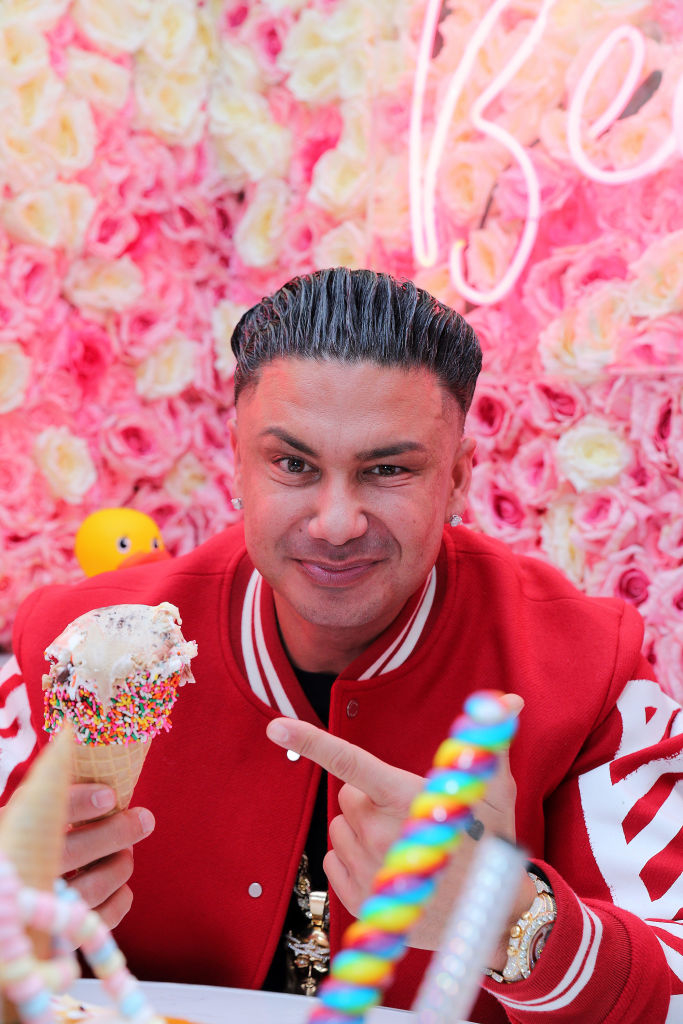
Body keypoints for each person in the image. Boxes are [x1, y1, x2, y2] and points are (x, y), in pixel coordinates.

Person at [1, 267, 682, 1023]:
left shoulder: (585, 666)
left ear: (456, 479)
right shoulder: (62, 651)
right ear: (236, 460)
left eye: (386, 470)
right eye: (292, 464)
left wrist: (514, 922)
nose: (333, 522)